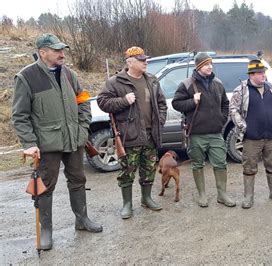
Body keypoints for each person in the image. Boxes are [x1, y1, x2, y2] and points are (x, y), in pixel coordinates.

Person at [11, 33, 102, 250]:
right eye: (57, 50)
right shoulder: (26, 77)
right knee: (45, 187)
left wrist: (83, 128)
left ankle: (82, 220)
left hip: (74, 140)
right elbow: (19, 116)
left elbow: (83, 101)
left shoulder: (69, 74)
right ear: (43, 53)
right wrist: (29, 143)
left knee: (78, 179)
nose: (62, 54)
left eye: (63, 50)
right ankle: (46, 231)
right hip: (46, 145)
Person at [97, 46, 168, 219]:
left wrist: (160, 120)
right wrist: (123, 101)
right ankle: (127, 204)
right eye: (142, 60)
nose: (146, 62)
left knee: (149, 168)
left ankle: (146, 198)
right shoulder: (115, 82)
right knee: (127, 171)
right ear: (130, 62)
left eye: (145, 59)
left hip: (151, 134)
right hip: (130, 134)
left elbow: (161, 103)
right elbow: (102, 102)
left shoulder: (152, 80)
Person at [172, 52, 235, 208]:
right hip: (196, 134)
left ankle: (222, 195)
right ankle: (202, 195)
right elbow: (176, 104)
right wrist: (192, 101)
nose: (210, 66)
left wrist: (222, 118)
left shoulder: (218, 83)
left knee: (220, 163)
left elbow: (225, 104)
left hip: (215, 133)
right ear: (199, 66)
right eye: (206, 64)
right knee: (198, 165)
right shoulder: (186, 84)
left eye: (211, 63)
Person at [229, 59, 272, 209]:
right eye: (260, 73)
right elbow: (234, 110)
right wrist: (244, 128)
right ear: (252, 74)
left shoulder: (271, 88)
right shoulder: (241, 90)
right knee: (249, 167)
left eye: (264, 72)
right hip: (252, 138)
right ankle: (248, 197)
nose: (264, 75)